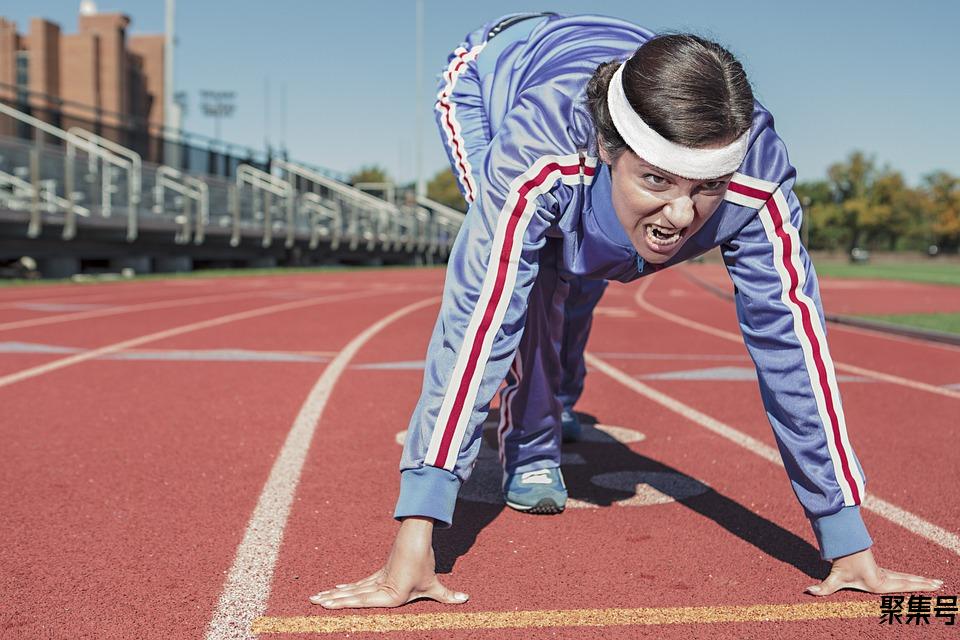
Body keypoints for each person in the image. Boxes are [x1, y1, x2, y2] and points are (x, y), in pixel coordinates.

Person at [311, 12, 943, 608]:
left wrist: (847, 540)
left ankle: (560, 392)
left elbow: (794, 348)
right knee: (532, 278)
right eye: (658, 181)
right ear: (611, 150)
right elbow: (478, 321)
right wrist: (417, 534)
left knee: (589, 266)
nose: (680, 216)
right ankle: (531, 444)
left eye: (706, 190)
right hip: (492, 74)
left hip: (620, 74)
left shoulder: (758, 179)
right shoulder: (539, 151)